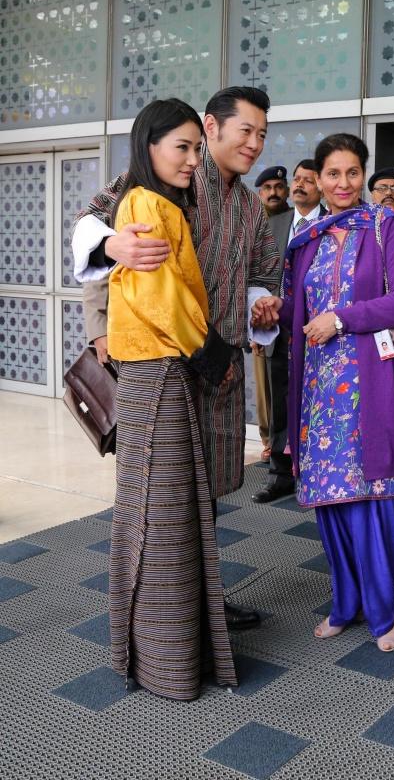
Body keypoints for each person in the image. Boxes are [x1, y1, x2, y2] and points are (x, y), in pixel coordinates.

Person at [72, 86, 280, 630]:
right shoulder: (168, 177)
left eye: (262, 134)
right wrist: (110, 252)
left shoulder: (253, 208)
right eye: (246, 132)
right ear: (210, 127)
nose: (255, 144)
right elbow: (94, 227)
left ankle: (204, 595)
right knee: (165, 494)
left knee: (208, 488)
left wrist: (262, 304)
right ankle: (165, 609)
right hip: (168, 361)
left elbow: (261, 273)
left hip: (224, 361)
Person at [252, 133, 394, 651]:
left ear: (363, 176)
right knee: (333, 502)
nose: (343, 184)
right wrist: (274, 310)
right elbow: (302, 308)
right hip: (321, 390)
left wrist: (342, 320)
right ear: (319, 178)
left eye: (353, 173)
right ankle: (345, 602)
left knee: (375, 501)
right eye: (333, 174)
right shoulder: (308, 240)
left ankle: (381, 610)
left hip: (372, 382)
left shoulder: (387, 226)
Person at [104, 98, 237, 700]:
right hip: (157, 371)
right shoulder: (143, 202)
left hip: (158, 372)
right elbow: (163, 301)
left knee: (167, 514)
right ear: (149, 144)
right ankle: (167, 664)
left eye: (194, 148)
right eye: (180, 146)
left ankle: (172, 656)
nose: (191, 158)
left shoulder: (161, 203)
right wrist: (209, 350)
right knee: (161, 520)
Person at [251, 159, 327, 503]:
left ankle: (320, 473)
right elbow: (261, 274)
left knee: (321, 402)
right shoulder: (275, 223)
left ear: (321, 186)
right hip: (279, 330)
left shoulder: (332, 224)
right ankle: (280, 473)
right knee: (280, 402)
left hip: (321, 330)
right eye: (296, 180)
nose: (299, 185)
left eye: (308, 180)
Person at [252, 165, 291, 460]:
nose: (274, 192)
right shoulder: (253, 224)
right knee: (265, 384)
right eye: (267, 188)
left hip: (293, 314)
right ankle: (269, 440)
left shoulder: (296, 221)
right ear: (260, 193)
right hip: (262, 314)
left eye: (279, 186)